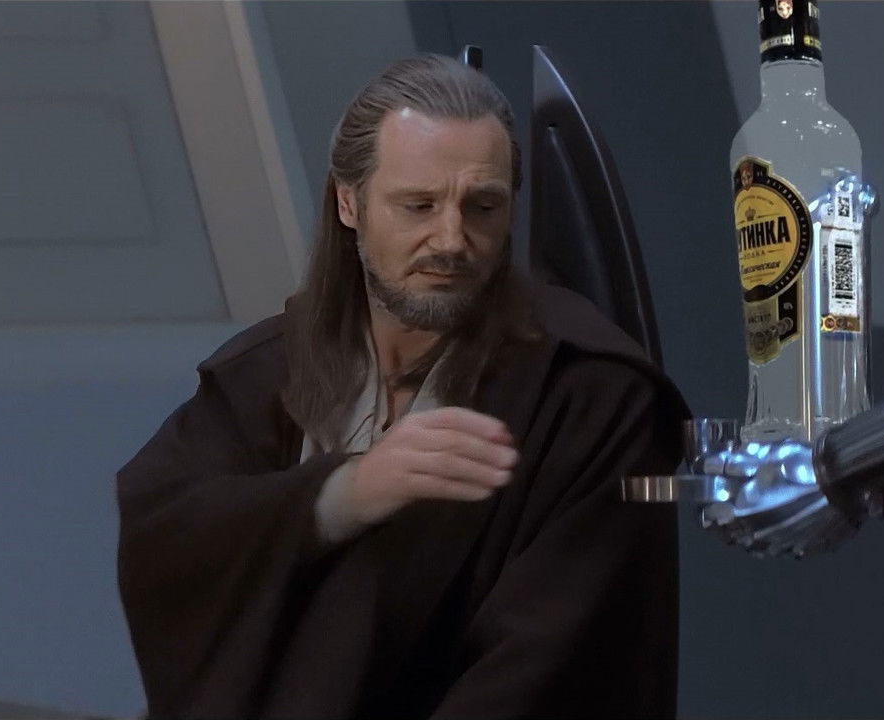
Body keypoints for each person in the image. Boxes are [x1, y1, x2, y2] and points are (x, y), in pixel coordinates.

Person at [117, 54, 686, 719]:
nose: (452, 239)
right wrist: (337, 498)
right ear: (349, 202)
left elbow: (562, 661)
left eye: (483, 206)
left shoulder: (590, 392)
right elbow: (167, 532)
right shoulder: (268, 371)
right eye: (418, 205)